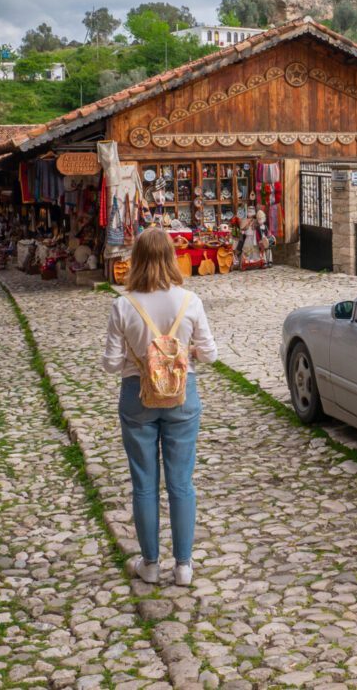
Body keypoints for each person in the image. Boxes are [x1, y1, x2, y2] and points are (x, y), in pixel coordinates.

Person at [103, 227, 217, 585]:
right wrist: (188, 352)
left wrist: (137, 355)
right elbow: (211, 354)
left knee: (144, 483)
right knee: (181, 482)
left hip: (137, 396)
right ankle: (183, 565)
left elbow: (109, 363)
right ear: (171, 257)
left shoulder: (124, 305)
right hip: (182, 396)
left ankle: (150, 563)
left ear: (136, 259)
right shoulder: (190, 301)